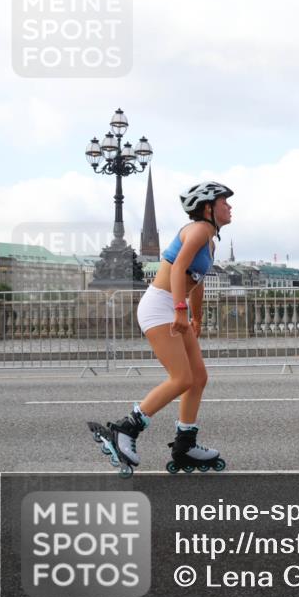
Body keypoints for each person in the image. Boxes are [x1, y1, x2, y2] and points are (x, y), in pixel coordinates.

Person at [89, 181, 233, 476]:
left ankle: (185, 445)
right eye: (224, 202)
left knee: (198, 378)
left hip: (172, 306)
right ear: (208, 208)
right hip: (159, 307)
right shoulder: (198, 230)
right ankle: (124, 429)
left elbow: (196, 280)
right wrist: (180, 309)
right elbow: (178, 268)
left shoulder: (209, 240)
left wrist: (196, 317)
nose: (230, 207)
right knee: (181, 378)